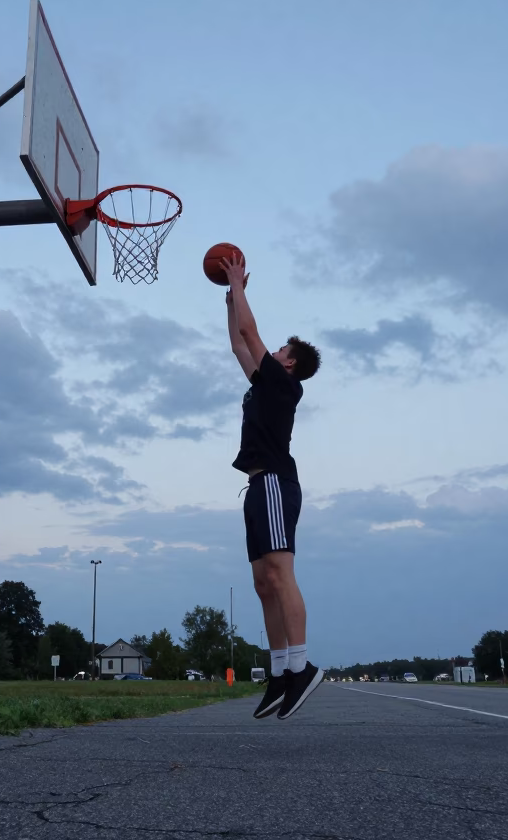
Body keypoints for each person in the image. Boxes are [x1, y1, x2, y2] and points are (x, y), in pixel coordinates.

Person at [222, 255, 323, 720]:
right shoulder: (264, 383)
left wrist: (241, 285)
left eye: (283, 351)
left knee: (281, 576)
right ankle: (280, 672)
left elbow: (250, 333)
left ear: (291, 365)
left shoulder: (285, 386)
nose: (276, 353)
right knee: (263, 583)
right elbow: (236, 342)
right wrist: (229, 295)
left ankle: (302, 668)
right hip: (258, 487)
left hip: (278, 484)